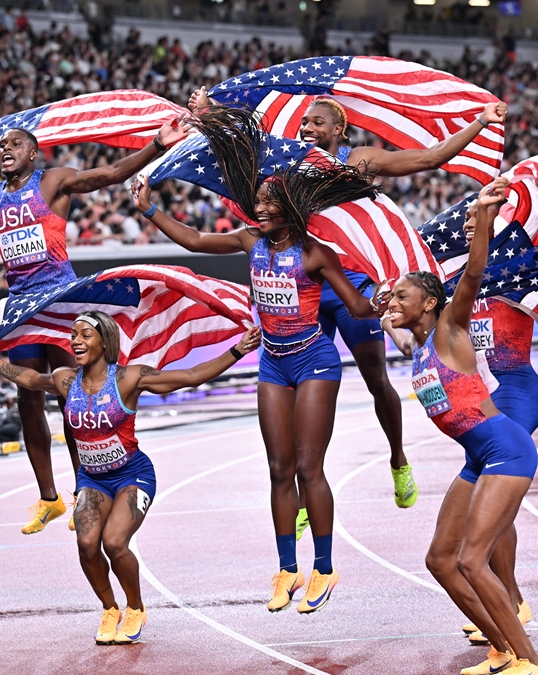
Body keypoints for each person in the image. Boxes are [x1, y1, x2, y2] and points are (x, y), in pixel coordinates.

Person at [191, 87, 508, 517]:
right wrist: (207, 115)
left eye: (317, 122)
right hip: (303, 288)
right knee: (302, 391)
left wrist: (481, 121)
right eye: (305, 122)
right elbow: (237, 156)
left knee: (376, 379)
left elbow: (430, 158)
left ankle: (398, 458)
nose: (307, 128)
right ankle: (307, 491)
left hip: (349, 287)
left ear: (339, 129)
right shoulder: (289, 164)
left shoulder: (358, 161)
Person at [133, 104, 383, 614]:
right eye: (259, 203)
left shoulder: (315, 253)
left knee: (309, 467)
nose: (260, 210)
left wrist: (384, 301)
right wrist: (150, 210)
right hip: (273, 361)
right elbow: (195, 240)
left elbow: (357, 307)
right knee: (278, 469)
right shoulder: (249, 241)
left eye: (269, 204)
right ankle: (287, 569)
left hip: (314, 361)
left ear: (289, 207)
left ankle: (324, 568)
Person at [0, 118, 189, 535]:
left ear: (33, 153)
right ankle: (49, 497)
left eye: (15, 143)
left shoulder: (53, 182)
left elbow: (110, 173)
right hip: (22, 307)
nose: (6, 148)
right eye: (2, 144)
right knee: (27, 398)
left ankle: (85, 490)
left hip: (61, 300)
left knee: (73, 396)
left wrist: (156, 143)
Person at [0, 312, 261, 645]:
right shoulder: (66, 380)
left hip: (132, 475)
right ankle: (110, 608)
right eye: (73, 335)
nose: (76, 341)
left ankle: (135, 608)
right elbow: (29, 378)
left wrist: (238, 350)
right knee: (86, 545)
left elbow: (192, 376)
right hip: (93, 480)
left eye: (85, 335)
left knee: (114, 542)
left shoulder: (129, 378)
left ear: (105, 342)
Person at [380, 178, 538, 675]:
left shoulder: (451, 329)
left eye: (403, 296)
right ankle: (502, 648)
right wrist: (383, 310)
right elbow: (388, 323)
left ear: (430, 303)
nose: (394, 301)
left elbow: (473, 272)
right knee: (441, 561)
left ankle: (530, 661)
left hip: (507, 451)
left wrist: (485, 217)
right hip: (480, 457)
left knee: (473, 560)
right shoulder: (419, 347)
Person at [456, 206, 538, 646]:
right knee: (490, 493)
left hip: (517, 388)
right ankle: (511, 598)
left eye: (478, 215)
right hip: (481, 395)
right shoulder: (456, 277)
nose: (468, 221)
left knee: (493, 485)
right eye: (466, 216)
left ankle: (508, 599)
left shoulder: (519, 267)